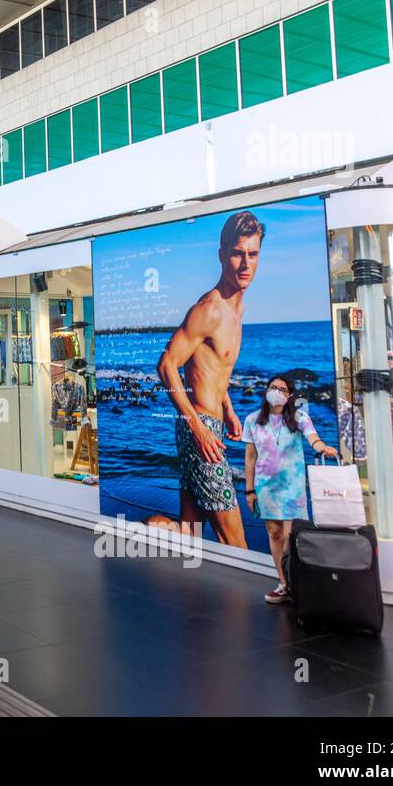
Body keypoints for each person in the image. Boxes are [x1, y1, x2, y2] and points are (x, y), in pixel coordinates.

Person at [155, 210, 266, 548]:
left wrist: (228, 407)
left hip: (209, 426)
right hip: (200, 429)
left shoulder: (238, 309)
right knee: (235, 539)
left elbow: (215, 368)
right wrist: (198, 427)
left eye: (253, 254)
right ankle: (250, 601)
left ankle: (146, 536)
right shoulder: (211, 309)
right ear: (222, 255)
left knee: (190, 535)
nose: (245, 263)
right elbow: (167, 365)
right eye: (237, 253)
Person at [242, 376, 338, 604]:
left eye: (282, 389)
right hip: (266, 488)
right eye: (272, 387)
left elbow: (312, 437)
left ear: (289, 396)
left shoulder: (298, 417)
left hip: (292, 489)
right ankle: (284, 584)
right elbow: (250, 456)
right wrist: (249, 490)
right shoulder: (252, 420)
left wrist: (322, 447)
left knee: (290, 536)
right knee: (274, 534)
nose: (276, 391)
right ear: (266, 391)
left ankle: (298, 583)